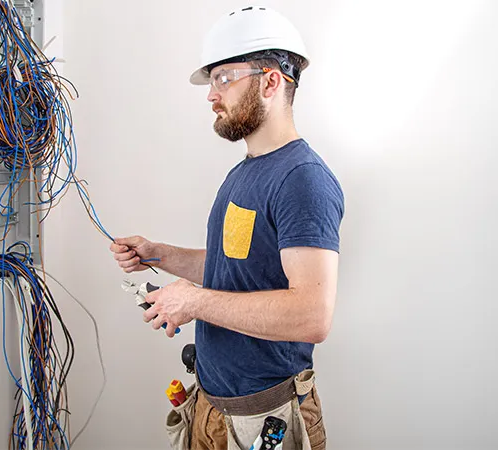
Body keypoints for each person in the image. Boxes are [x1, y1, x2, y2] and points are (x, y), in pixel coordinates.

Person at [110, 6, 344, 450]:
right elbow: (234, 266)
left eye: (223, 78)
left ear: (270, 81)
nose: (211, 95)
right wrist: (158, 255)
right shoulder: (246, 172)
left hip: (264, 419)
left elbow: (313, 315)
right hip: (213, 408)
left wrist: (194, 301)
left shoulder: (303, 179)